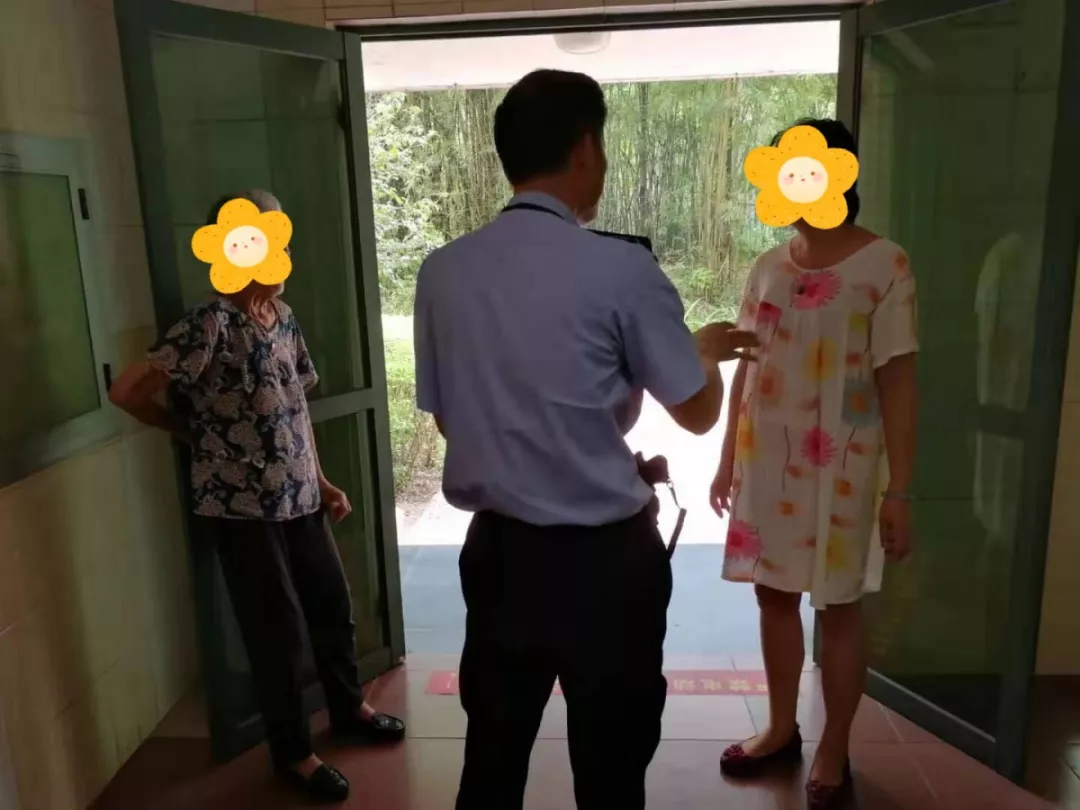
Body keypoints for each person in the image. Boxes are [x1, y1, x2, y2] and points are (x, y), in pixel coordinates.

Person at [413, 69, 758, 810]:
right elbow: (697, 413)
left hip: (500, 557)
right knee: (611, 769)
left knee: (493, 756)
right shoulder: (621, 268)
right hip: (606, 566)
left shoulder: (442, 272)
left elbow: (447, 418)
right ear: (584, 148)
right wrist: (701, 354)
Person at [108, 189, 405, 804]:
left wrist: (323, 482)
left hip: (300, 497)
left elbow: (296, 409)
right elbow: (127, 390)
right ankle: (294, 752)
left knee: (331, 606)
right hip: (239, 508)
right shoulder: (208, 324)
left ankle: (347, 708)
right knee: (277, 633)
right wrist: (187, 432)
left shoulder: (283, 317)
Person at [711, 119, 918, 810]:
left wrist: (900, 490)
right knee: (772, 595)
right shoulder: (769, 267)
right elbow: (746, 367)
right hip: (766, 460)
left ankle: (835, 746)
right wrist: (725, 460)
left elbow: (899, 379)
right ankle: (780, 727)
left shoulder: (885, 264)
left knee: (839, 606)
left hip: (844, 467)